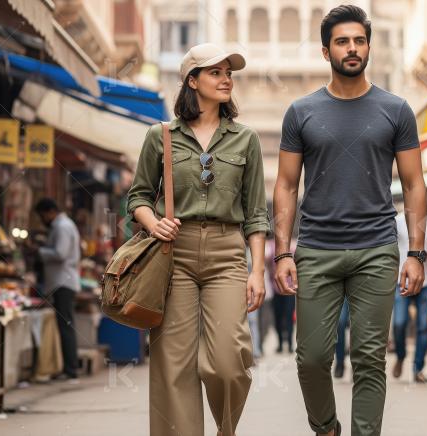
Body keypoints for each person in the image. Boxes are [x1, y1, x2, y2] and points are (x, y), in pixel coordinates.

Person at [273, 6, 427, 436]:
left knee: (369, 358)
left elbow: (414, 185)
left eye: (359, 41)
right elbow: (285, 186)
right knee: (313, 359)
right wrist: (283, 251)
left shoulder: (395, 109)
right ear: (326, 51)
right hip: (316, 249)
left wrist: (415, 252)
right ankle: (326, 428)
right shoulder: (300, 112)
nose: (352, 48)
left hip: (376, 248)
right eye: (342, 41)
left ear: (369, 47)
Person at [126, 43, 269, 436]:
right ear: (193, 81)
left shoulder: (246, 139)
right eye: (216, 73)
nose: (226, 80)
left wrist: (258, 271)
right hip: (174, 254)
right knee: (174, 366)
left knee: (227, 362)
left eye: (229, 73)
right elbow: (138, 196)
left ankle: (225, 429)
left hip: (227, 255)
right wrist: (152, 222)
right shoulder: (161, 137)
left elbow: (257, 213)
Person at [392, 209, 427, 383]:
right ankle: (400, 356)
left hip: (426, 281)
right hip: (402, 280)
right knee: (400, 323)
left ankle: (418, 368)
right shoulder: (396, 221)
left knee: (423, 326)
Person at [33, 198, 81, 381]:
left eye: (42, 215)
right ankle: (68, 368)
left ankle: (70, 369)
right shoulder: (63, 225)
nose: (43, 219)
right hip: (62, 282)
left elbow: (60, 253)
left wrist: (40, 251)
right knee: (65, 325)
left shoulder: (62, 226)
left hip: (63, 283)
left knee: (66, 326)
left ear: (50, 211)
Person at [333, 299, 350, 378]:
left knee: (357, 324)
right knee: (339, 322)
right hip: (341, 294)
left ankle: (357, 363)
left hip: (360, 291)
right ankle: (340, 362)